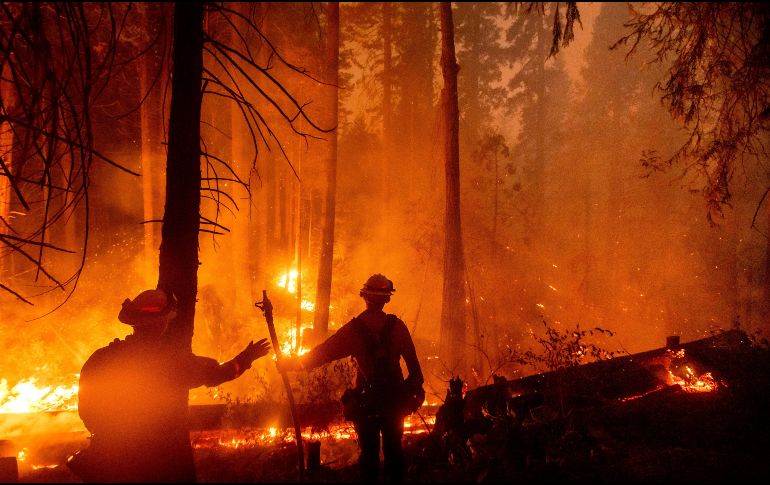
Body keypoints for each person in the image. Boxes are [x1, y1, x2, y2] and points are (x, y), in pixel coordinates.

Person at [69, 289, 270, 483]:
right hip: (155, 463)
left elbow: (87, 409)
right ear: (162, 325)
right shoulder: (171, 363)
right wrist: (245, 358)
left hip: (109, 459)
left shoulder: (102, 358)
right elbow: (217, 374)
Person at [280, 274, 424, 483]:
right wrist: (409, 398)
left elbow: (322, 354)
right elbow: (416, 371)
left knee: (369, 459)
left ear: (364, 296)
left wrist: (291, 364)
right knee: (394, 455)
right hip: (394, 404)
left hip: (366, 405)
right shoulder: (398, 328)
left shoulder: (354, 331)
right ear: (387, 299)